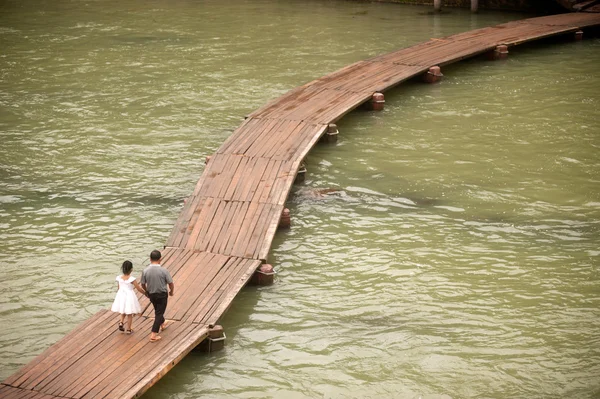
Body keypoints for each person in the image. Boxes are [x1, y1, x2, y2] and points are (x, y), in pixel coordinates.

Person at [140, 249, 174, 342]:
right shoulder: (164, 270)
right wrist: (171, 291)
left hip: (152, 294)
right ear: (160, 259)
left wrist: (146, 291)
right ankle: (153, 334)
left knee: (158, 310)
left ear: (150, 259)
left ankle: (162, 324)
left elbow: (142, 283)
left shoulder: (145, 270)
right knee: (159, 313)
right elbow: (170, 283)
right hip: (162, 294)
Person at [111, 260, 146, 334]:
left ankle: (121, 322)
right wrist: (145, 293)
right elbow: (138, 288)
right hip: (129, 295)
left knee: (123, 310)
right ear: (131, 269)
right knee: (129, 313)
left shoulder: (119, 278)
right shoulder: (132, 279)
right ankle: (129, 329)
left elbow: (119, 287)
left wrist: (119, 295)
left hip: (121, 294)